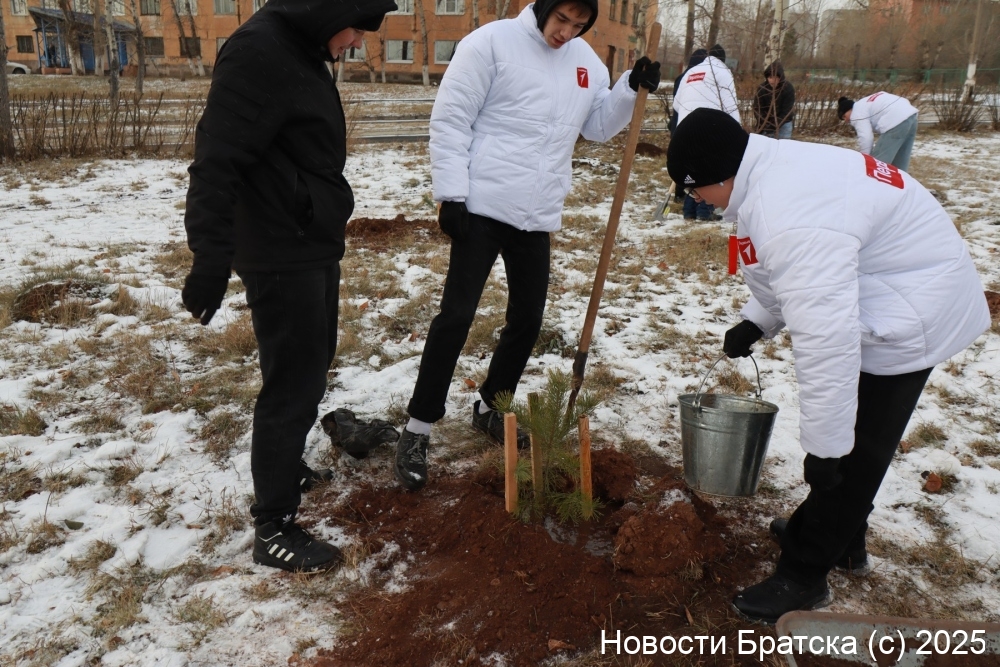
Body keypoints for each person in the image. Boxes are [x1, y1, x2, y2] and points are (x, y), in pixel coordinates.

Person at [666, 108, 989, 624]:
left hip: (914, 310)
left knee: (854, 455)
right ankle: (846, 540)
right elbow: (792, 274)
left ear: (720, 174)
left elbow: (827, 340)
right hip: (892, 283)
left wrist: (825, 449)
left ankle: (804, 573)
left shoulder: (789, 213)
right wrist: (757, 320)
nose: (696, 200)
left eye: (695, 189)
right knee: (853, 445)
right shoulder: (768, 171)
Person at [393, 0, 661, 492]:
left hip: (536, 213)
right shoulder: (490, 44)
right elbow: (451, 118)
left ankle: (491, 406)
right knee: (456, 317)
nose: (567, 32)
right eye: (562, 20)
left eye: (579, 25)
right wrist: (451, 193)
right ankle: (418, 428)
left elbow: (597, 127)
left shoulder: (585, 62)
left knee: (528, 320)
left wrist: (629, 88)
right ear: (543, 7)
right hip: (481, 204)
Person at [181, 0, 398, 572]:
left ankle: (284, 465)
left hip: (308, 236)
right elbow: (217, 159)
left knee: (312, 362)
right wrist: (210, 257)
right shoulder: (259, 52)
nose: (358, 41)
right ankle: (273, 526)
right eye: (357, 27)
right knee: (292, 383)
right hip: (279, 246)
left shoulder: (299, 44)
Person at [668, 48, 714, 221]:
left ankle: (686, 204)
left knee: (686, 167)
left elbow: (676, 104)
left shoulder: (682, 77)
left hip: (679, 126)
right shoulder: (704, 78)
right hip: (697, 128)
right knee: (701, 170)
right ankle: (701, 210)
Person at [838, 92, 919, 171]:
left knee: (877, 165)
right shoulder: (866, 102)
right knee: (900, 164)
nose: (846, 120)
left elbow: (866, 138)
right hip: (911, 116)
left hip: (894, 120)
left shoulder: (856, 113)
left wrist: (865, 159)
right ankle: (902, 180)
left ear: (849, 109)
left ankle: (871, 180)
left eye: (844, 116)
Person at [671, 44, 740, 127]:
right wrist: (738, 129)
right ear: (723, 60)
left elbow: (676, 104)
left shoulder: (690, 72)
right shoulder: (724, 72)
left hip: (684, 127)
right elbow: (731, 107)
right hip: (709, 128)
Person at [753, 61, 795, 139]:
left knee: (783, 145)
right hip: (765, 124)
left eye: (775, 77)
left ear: (781, 77)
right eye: (770, 77)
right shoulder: (762, 89)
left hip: (784, 123)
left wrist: (774, 125)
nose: (772, 81)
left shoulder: (788, 88)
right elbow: (757, 109)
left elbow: (786, 111)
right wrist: (766, 123)